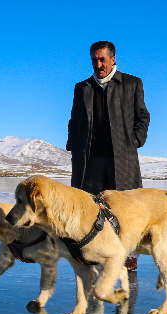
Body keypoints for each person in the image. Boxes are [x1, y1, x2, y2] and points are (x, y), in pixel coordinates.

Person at [66, 40, 150, 270]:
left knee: (124, 207)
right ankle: (92, 252)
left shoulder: (132, 83)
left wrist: (135, 140)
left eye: (102, 59)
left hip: (121, 159)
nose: (98, 64)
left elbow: (143, 116)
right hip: (89, 159)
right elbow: (74, 120)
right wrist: (73, 143)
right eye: (94, 60)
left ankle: (129, 254)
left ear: (113, 59)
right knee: (90, 206)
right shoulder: (82, 87)